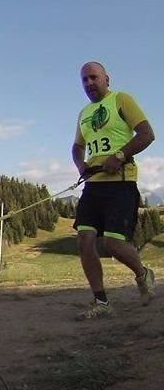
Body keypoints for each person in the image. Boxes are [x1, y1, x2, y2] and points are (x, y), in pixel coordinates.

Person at [71, 61, 156, 319]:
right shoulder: (84, 114)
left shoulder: (121, 100)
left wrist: (119, 155)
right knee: (85, 240)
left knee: (112, 243)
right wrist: (81, 165)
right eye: (84, 80)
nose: (89, 83)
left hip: (121, 182)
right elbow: (76, 147)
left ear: (107, 78)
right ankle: (101, 302)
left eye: (93, 77)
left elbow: (146, 134)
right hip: (93, 186)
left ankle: (143, 274)